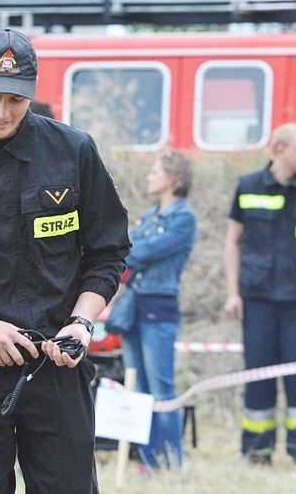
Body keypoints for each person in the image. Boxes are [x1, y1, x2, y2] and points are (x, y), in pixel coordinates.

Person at [0, 28, 131, 493]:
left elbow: (108, 251)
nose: (2, 111)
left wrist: (81, 322)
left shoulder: (73, 152)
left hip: (57, 366)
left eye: (16, 100)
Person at [224, 122, 296, 464]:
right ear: (279, 150)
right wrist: (233, 293)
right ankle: (256, 451)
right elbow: (232, 242)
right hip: (257, 298)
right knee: (258, 375)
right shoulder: (248, 186)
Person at [122, 151, 197, 469]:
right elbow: (129, 249)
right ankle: (148, 461)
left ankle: (171, 462)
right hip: (133, 308)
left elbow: (138, 250)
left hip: (159, 309)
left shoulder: (184, 218)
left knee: (161, 390)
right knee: (139, 391)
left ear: (173, 179)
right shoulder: (150, 215)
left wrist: (124, 250)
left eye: (155, 172)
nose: (149, 177)